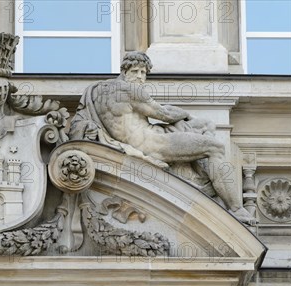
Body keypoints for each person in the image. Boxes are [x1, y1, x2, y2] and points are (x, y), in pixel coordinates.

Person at [69, 51, 255, 224]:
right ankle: (235, 208)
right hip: (156, 145)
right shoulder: (130, 90)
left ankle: (201, 175)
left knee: (206, 125)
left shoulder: (96, 91)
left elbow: (82, 119)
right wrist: (185, 114)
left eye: (143, 73)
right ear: (125, 71)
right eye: (136, 71)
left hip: (144, 138)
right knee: (215, 147)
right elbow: (164, 114)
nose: (141, 77)